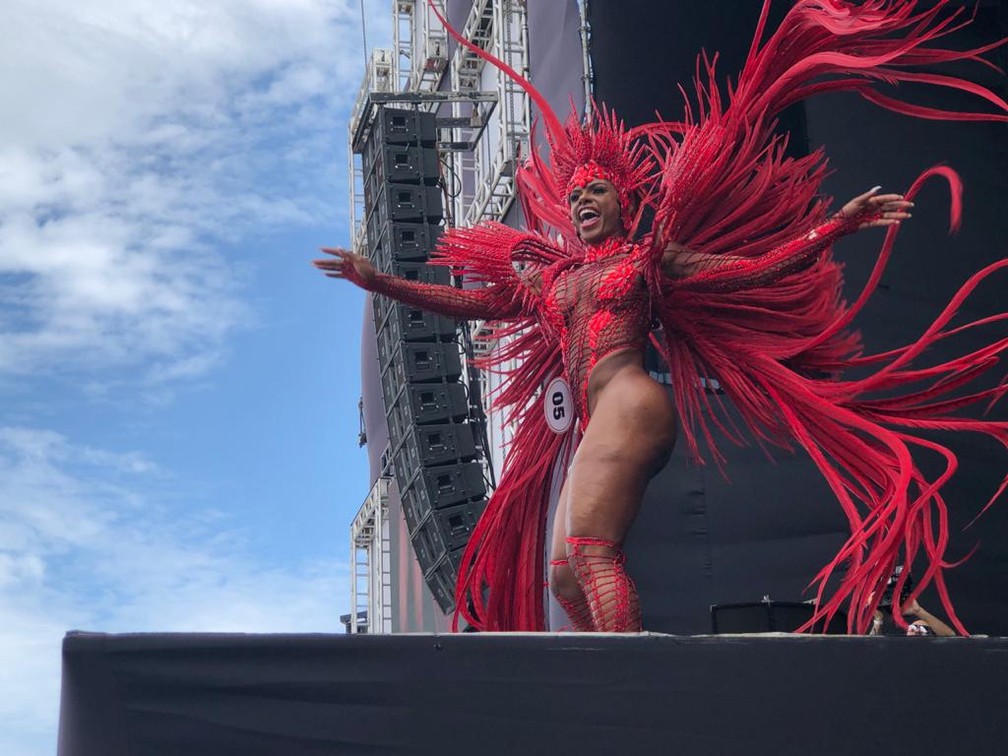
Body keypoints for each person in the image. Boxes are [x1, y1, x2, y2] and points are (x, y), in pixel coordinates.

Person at [316, 0, 1008, 634]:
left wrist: (832, 229)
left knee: (590, 550)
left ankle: (629, 673)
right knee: (563, 575)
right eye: (576, 192)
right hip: (594, 418)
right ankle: (609, 677)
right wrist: (381, 283)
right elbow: (473, 303)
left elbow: (750, 270)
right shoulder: (556, 279)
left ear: (623, 201)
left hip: (632, 401)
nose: (584, 198)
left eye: (598, 190)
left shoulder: (651, 258)